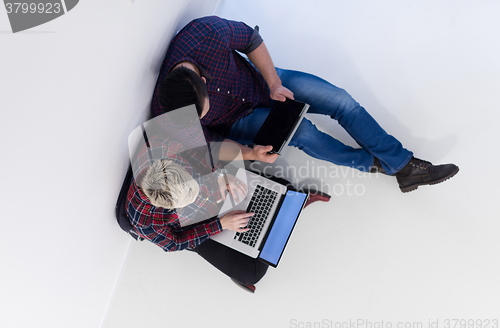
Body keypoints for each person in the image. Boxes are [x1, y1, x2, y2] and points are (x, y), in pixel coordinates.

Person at [152, 16, 459, 193]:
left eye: (203, 110)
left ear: (202, 82)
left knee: (341, 101)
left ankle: (401, 166)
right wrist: (248, 153)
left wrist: (273, 82)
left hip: (263, 80)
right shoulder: (171, 116)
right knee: (303, 134)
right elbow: (207, 149)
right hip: (238, 120)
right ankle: (386, 164)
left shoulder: (204, 34)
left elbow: (250, 40)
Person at [125, 129, 330, 293]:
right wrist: (220, 224)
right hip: (196, 224)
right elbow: (174, 243)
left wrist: (219, 175)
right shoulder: (145, 221)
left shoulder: (166, 145)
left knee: (283, 189)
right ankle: (285, 214)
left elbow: (207, 152)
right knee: (251, 273)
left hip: (213, 185)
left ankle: (288, 208)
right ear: (167, 207)